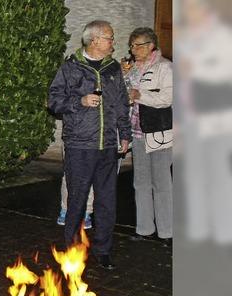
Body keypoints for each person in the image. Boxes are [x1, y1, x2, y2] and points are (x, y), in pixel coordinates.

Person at [48, 20, 132, 270]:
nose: (113, 43)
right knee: (77, 199)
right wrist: (80, 101)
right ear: (94, 40)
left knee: (107, 201)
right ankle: (71, 250)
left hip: (107, 145)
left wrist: (124, 134)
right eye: (110, 38)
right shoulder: (71, 68)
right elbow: (53, 101)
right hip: (80, 146)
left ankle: (103, 250)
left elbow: (120, 104)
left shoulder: (113, 68)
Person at [123, 27, 173, 244]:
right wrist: (123, 76)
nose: (133, 50)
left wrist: (139, 95)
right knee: (140, 182)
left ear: (151, 46)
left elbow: (167, 99)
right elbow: (124, 93)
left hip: (159, 131)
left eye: (138, 45)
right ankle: (144, 229)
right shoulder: (132, 68)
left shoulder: (166, 68)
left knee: (161, 183)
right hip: (137, 132)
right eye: (132, 45)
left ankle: (167, 232)